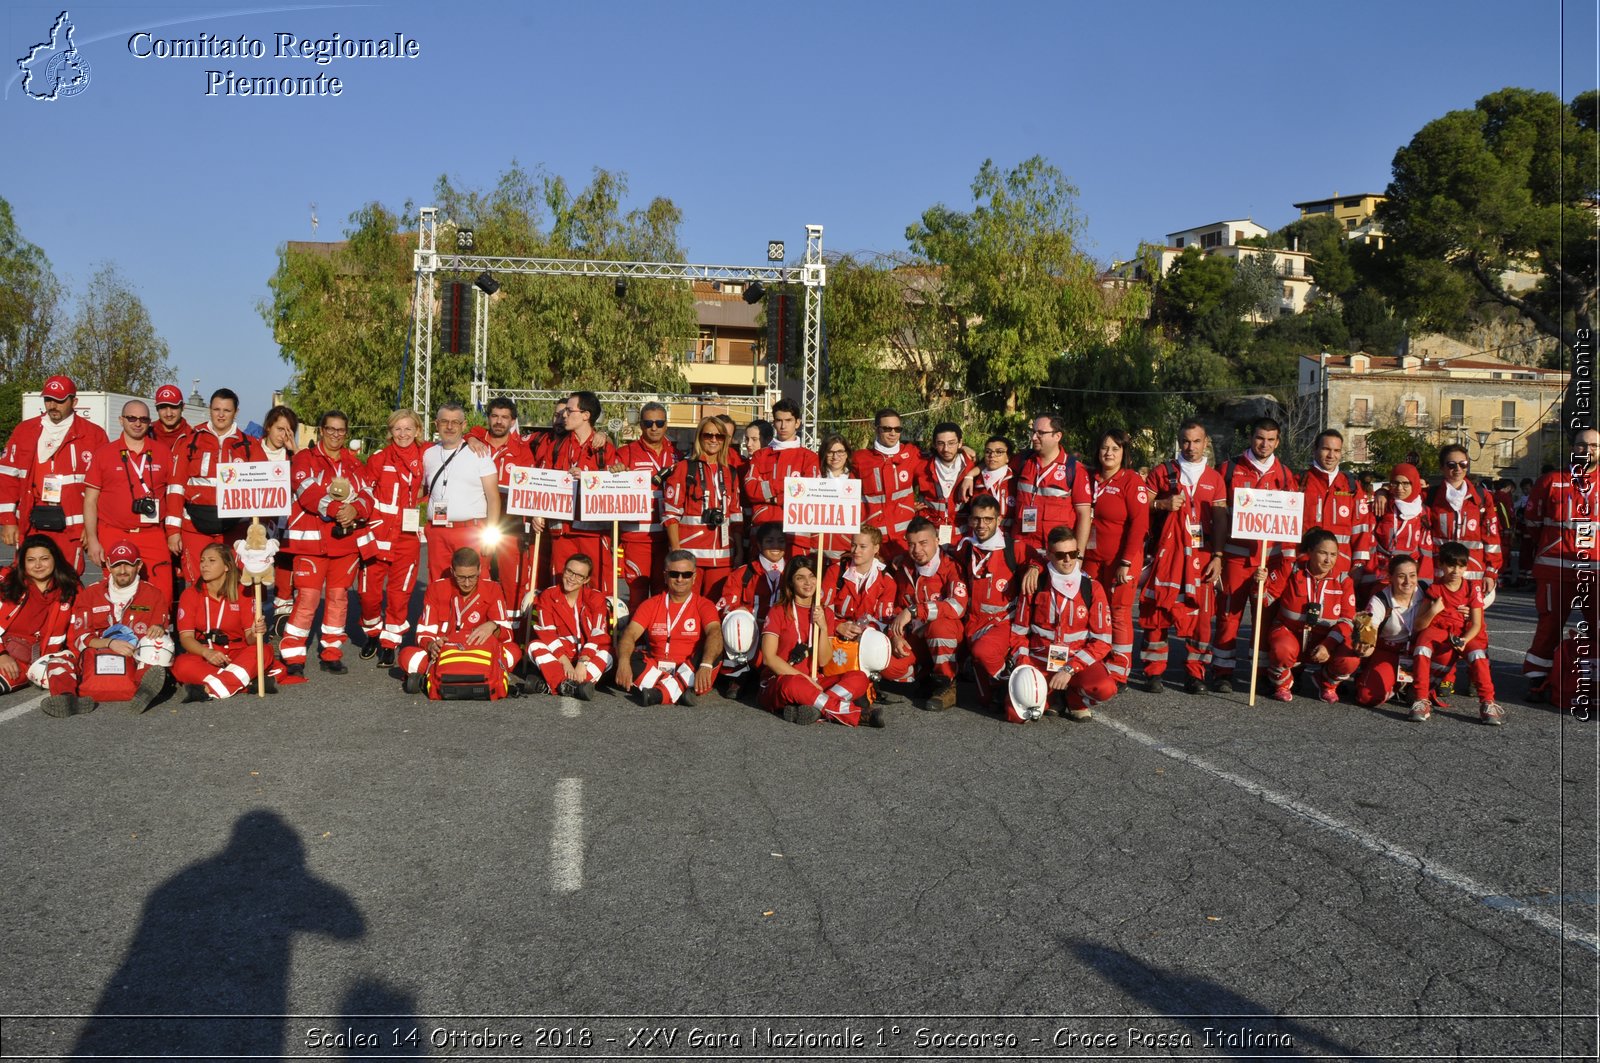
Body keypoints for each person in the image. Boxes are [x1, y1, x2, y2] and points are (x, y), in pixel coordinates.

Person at [1208, 417, 1301, 691]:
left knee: (1264, 617)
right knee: (1228, 616)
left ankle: (1257, 675)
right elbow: (1217, 514)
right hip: (1236, 558)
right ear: (1252, 438)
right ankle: (1222, 672)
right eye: (1261, 438)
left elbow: (1290, 526)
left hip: (1268, 560)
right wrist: (1218, 555)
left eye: (1271, 440)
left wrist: (1285, 564)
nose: (1265, 444)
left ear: (1278, 441)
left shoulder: (1285, 475)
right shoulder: (1229, 469)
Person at [279, 411, 372, 677]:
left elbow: (368, 495)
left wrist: (355, 510)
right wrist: (336, 509)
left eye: (340, 431)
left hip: (344, 545)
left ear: (346, 433)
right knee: (306, 599)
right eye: (330, 429)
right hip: (312, 545)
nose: (335, 435)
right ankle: (293, 655)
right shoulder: (304, 459)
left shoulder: (354, 464)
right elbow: (306, 492)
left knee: (338, 599)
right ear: (321, 430)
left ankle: (331, 652)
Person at [1139, 420, 1226, 695]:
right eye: (1185, 441)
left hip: (1201, 556)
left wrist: (1219, 556)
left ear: (1206, 442)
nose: (1191, 447)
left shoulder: (1215, 478)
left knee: (1200, 619)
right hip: (1167, 555)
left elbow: (1221, 521)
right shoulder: (1162, 472)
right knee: (1158, 612)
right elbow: (1142, 507)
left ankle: (1195, 674)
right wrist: (1162, 504)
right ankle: (1153, 673)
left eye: (1196, 441)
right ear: (1179, 442)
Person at [0, 374, 109, 572]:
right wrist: (8, 520)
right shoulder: (25, 430)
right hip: (31, 524)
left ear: (73, 401)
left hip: (71, 529)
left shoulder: (93, 434)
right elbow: (7, 478)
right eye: (48, 400)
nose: (52, 405)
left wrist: (92, 528)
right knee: (28, 579)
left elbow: (104, 487)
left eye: (59, 400)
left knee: (67, 581)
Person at [1007, 525, 1116, 720]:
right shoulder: (1035, 583)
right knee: (1016, 714)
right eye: (1060, 555)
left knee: (1105, 688)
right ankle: (1054, 695)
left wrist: (1070, 669)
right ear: (1048, 554)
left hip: (1076, 661)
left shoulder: (1092, 587)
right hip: (1039, 660)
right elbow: (1018, 633)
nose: (1067, 560)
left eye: (1073, 554)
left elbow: (1103, 641)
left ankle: (1074, 697)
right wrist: (1024, 667)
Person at [1522, 426, 1598, 697]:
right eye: (1582, 445)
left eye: (1594, 446)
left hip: (1595, 570)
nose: (1587, 450)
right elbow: (1531, 523)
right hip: (1555, 566)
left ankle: (1592, 678)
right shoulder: (1551, 481)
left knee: (1597, 625)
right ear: (1572, 448)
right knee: (1550, 623)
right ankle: (1537, 676)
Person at [757, 557, 877, 726]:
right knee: (793, 685)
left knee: (859, 677)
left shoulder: (824, 612)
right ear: (790, 582)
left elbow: (823, 660)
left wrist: (823, 627)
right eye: (800, 578)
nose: (808, 582)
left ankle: (814, 707)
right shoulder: (778, 611)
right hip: (781, 681)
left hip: (815, 682)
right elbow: (769, 658)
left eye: (812, 576)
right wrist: (804, 679)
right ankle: (855, 715)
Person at [165, 388, 266, 584]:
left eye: (226, 410)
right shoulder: (189, 440)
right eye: (216, 409)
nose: (221, 415)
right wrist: (172, 531)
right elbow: (175, 487)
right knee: (199, 584)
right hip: (195, 527)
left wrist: (258, 532)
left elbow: (262, 491)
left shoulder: (250, 445)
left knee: (234, 583)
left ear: (236, 412)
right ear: (210, 410)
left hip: (235, 528)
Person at [63, 541, 172, 715]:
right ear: (108, 565)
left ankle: (144, 690)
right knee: (58, 660)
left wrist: (159, 629)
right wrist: (110, 643)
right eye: (116, 565)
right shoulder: (90, 594)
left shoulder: (154, 595)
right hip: (98, 653)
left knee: (159, 643)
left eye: (128, 565)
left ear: (139, 565)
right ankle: (66, 698)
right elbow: (79, 636)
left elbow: (161, 631)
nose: (122, 571)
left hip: (134, 656)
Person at [83, 399, 174, 595]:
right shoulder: (104, 453)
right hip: (114, 533)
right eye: (131, 418)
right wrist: (92, 539)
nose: (137, 423)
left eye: (143, 419)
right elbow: (90, 500)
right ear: (121, 420)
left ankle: (159, 626)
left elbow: (174, 496)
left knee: (162, 591)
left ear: (150, 422)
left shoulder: (162, 453)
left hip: (152, 533)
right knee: (117, 593)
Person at [1258, 527, 1359, 703]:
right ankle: (1283, 683)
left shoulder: (1344, 580)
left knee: (1351, 658)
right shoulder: (1292, 570)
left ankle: (1327, 682)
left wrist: (1328, 645)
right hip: (1290, 633)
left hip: (1324, 640)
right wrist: (1260, 584)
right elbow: (1265, 601)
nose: (1328, 560)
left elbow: (1347, 620)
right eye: (1323, 553)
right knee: (1281, 650)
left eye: (1333, 555)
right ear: (1310, 552)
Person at [357, 408, 425, 667]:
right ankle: (372, 634)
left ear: (417, 430)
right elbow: (364, 493)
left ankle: (389, 643)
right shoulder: (378, 458)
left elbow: (454, 438)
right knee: (368, 595)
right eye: (398, 429)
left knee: (400, 595)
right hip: (377, 535)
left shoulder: (426, 455)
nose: (403, 434)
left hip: (407, 538)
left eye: (408, 428)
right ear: (390, 431)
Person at [398, 547, 516, 695]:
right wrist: (431, 645)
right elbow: (424, 632)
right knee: (406, 655)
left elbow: (508, 635)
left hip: (480, 653)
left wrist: (493, 626)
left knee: (513, 651)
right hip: (446, 653)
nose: (467, 583)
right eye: (461, 577)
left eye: (472, 577)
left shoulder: (493, 589)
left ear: (480, 570)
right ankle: (477, 677)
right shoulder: (436, 589)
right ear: (452, 571)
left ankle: (435, 678)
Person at [613, 549, 724, 706]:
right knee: (626, 653)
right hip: (656, 669)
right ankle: (678, 690)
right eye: (674, 574)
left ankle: (659, 693)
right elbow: (630, 634)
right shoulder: (650, 604)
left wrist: (706, 664)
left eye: (686, 574)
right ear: (665, 576)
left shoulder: (704, 605)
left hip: (690, 666)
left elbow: (714, 632)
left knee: (715, 648)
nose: (680, 579)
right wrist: (623, 662)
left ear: (694, 577)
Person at [172, 543, 280, 702]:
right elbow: (186, 638)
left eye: (211, 560)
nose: (204, 565)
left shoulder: (243, 592)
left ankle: (207, 689)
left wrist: (256, 633)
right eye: (202, 560)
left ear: (227, 567)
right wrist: (207, 653)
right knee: (181, 664)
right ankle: (246, 683)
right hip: (205, 654)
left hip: (237, 653)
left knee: (262, 650)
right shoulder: (190, 594)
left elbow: (250, 639)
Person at [954, 494, 1033, 711]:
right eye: (977, 519)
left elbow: (1038, 559)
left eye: (988, 519)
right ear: (970, 520)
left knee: (983, 652)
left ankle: (1012, 682)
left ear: (998, 520)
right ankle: (993, 677)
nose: (981, 525)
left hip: (1001, 623)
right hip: (973, 623)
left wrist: (1035, 568)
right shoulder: (966, 547)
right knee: (984, 701)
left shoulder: (1011, 547)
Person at [1084, 427, 1149, 687]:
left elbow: (1139, 524)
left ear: (1124, 452)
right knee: (1093, 609)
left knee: (1119, 612)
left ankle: (1120, 669)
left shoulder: (1131, 481)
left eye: (1115, 448)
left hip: (1122, 560)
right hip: (1091, 557)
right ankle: (1094, 659)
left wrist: (1126, 561)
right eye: (1104, 448)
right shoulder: (1089, 477)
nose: (1109, 453)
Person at [1412, 540, 1502, 724]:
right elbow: (1419, 625)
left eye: (1461, 566)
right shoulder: (1435, 589)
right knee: (1421, 646)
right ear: (1441, 565)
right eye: (1451, 565)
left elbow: (1477, 623)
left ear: (1466, 567)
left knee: (1478, 653)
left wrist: (1464, 640)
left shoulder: (1472, 587)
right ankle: (1421, 699)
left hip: (1463, 632)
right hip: (1438, 631)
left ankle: (1487, 702)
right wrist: (1433, 610)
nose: (1455, 571)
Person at [885, 517, 968, 710]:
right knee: (890, 669)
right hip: (916, 636)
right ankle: (926, 674)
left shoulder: (951, 566)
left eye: (923, 543)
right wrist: (895, 636)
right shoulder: (904, 566)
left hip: (949, 635)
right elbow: (896, 609)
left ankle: (946, 684)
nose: (917, 550)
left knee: (939, 627)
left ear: (937, 540)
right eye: (911, 544)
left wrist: (915, 610)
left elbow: (957, 606)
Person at [547, 392, 621, 597]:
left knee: (596, 587)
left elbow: (615, 484)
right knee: (562, 585)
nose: (564, 415)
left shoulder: (604, 446)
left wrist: (588, 477)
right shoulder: (556, 445)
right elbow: (540, 479)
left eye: (570, 411)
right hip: (563, 529)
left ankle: (597, 627)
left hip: (594, 532)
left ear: (586, 415)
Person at [466, 396, 535, 613]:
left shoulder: (523, 450)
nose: (499, 421)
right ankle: (477, 619)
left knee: (512, 578)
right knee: (477, 573)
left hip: (510, 523)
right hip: (476, 519)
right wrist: (470, 438)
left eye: (505, 417)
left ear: (513, 421)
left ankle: (512, 630)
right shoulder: (472, 444)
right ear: (487, 418)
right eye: (494, 416)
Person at [662, 416, 744, 597]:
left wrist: (739, 551)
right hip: (690, 557)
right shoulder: (684, 467)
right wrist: (676, 553)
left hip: (722, 558)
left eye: (719, 436)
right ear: (699, 437)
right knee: (687, 607)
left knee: (714, 612)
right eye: (708, 435)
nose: (714, 440)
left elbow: (736, 515)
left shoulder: (730, 472)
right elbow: (670, 514)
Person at [420, 402, 499, 578]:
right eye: (444, 421)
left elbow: (493, 498)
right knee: (439, 584)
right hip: (438, 531)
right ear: (436, 424)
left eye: (455, 422)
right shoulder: (428, 454)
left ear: (463, 425)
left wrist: (491, 536)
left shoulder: (479, 453)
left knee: (475, 584)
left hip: (471, 531)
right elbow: (421, 490)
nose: (449, 427)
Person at [614, 401, 682, 605]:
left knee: (665, 592)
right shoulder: (626, 453)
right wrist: (616, 472)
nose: (654, 427)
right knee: (638, 593)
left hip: (667, 536)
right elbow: (610, 488)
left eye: (659, 422)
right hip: (637, 536)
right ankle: (635, 637)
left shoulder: (677, 455)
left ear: (666, 424)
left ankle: (661, 636)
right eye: (649, 423)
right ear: (641, 425)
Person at [0, 534, 80, 704]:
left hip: (37, 660)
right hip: (4, 652)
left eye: (44, 558)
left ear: (55, 560)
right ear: (23, 563)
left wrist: (76, 660)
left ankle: (66, 701)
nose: (37, 565)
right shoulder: (8, 583)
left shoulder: (70, 590)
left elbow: (76, 633)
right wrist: (1, 654)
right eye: (31, 560)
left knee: (63, 670)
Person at [525, 553, 613, 699]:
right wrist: (565, 662)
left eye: (579, 576)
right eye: (569, 572)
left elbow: (598, 634)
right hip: (561, 652)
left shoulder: (596, 598)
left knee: (608, 653)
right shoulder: (548, 595)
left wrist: (583, 661)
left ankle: (555, 685)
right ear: (564, 570)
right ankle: (574, 687)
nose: (572, 578)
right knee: (534, 646)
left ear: (587, 580)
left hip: (587, 653)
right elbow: (546, 633)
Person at [1353, 554, 1427, 711]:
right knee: (1367, 697)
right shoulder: (1380, 599)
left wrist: (1466, 610)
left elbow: (1452, 599)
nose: (1408, 582)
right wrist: (1366, 644)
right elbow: (1369, 626)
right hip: (1390, 651)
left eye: (1412, 575)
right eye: (1401, 576)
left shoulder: (1426, 591)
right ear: (1390, 577)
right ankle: (1398, 684)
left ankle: (1428, 685)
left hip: (1419, 651)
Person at [1013, 413, 1091, 562]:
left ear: (1057, 436)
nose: (1034, 437)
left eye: (1041, 433)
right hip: (1021, 550)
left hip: (1055, 556)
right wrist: (971, 473)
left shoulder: (1074, 469)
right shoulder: (1022, 461)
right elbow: (994, 460)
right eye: (1033, 432)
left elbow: (1084, 516)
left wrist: (1078, 556)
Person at [743, 399, 819, 546]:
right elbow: (752, 491)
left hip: (796, 537)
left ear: (797, 423)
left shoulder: (809, 457)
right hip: (762, 531)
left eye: (788, 420)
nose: (783, 426)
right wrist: (787, 485)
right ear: (774, 423)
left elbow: (810, 496)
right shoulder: (760, 456)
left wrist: (771, 496)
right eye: (779, 420)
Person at [853, 409, 924, 561]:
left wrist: (962, 450)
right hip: (874, 541)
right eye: (887, 429)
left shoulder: (912, 453)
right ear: (876, 429)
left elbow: (937, 467)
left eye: (897, 429)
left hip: (904, 540)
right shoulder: (860, 459)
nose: (893, 433)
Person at [1300, 429, 1372, 579]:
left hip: (1341, 570)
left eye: (1336, 450)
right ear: (1315, 449)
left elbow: (1361, 530)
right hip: (1304, 567)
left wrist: (1358, 565)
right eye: (1326, 449)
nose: (1331, 456)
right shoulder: (1299, 483)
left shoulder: (1352, 487)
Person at [1361, 463, 1435, 603]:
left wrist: (1424, 584)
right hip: (1381, 576)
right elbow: (1369, 544)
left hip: (1409, 578)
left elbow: (1426, 551)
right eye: (1395, 483)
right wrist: (1368, 578)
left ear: (1414, 484)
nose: (1400, 489)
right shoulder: (1381, 507)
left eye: (1406, 483)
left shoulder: (1423, 512)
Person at [258, 405, 300, 622]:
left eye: (288, 430)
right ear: (268, 427)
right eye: (279, 429)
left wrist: (296, 452)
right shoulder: (251, 450)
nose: (282, 435)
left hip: (284, 521)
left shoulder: (293, 456)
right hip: (256, 523)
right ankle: (255, 618)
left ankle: (281, 621)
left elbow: (304, 481)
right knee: (257, 571)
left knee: (284, 574)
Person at [915, 421, 972, 546]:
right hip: (930, 537)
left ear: (960, 443)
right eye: (941, 443)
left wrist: (970, 475)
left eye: (951, 443)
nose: (946, 449)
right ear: (934, 444)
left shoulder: (971, 466)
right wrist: (909, 506)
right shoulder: (921, 466)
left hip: (962, 537)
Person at [808, 434, 857, 562]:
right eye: (830, 452)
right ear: (824, 454)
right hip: (816, 548)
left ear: (847, 454)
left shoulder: (856, 480)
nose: (835, 457)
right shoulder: (814, 478)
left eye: (840, 451)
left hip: (844, 549)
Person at [957, 436, 1018, 534]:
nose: (992, 455)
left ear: (1008, 457)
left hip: (1007, 539)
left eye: (999, 452)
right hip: (979, 538)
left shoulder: (1016, 480)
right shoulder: (974, 481)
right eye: (988, 451)